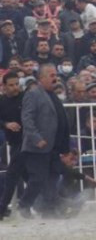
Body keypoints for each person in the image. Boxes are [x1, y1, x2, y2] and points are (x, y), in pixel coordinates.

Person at [18, 64, 70, 218]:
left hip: (53, 146)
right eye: (51, 75)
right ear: (41, 78)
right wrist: (37, 138)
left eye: (56, 75)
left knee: (52, 178)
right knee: (37, 179)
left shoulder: (53, 95)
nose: (55, 78)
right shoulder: (33, 94)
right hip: (38, 147)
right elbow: (27, 119)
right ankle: (24, 205)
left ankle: (49, 209)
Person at [0, 71, 26, 220]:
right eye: (11, 85)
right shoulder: (2, 101)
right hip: (15, 142)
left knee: (11, 176)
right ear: (4, 86)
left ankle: (2, 209)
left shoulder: (25, 98)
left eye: (17, 84)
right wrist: (6, 124)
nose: (15, 88)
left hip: (27, 141)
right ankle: (48, 202)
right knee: (28, 176)